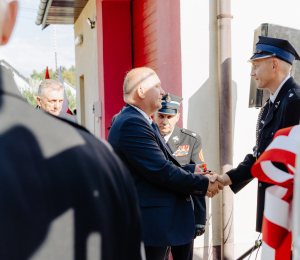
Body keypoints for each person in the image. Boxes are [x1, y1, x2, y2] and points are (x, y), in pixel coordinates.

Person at [0, 2, 143, 259]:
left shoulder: (88, 148)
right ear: (10, 17)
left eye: (60, 101)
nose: (57, 106)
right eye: (52, 102)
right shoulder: (98, 158)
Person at [107, 67, 223, 260]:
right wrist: (203, 184)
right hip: (148, 228)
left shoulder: (140, 120)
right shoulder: (131, 123)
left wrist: (192, 171)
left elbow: (159, 165)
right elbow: (160, 170)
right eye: (158, 86)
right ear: (141, 91)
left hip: (155, 226)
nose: (162, 91)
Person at [218, 36, 300, 232]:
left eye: (256, 65)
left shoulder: (295, 102)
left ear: (274, 65)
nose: (251, 73)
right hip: (277, 211)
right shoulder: (272, 104)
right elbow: (261, 155)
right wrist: (226, 178)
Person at [153, 93, 206, 260]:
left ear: (178, 117)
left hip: (182, 215)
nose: (164, 121)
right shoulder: (148, 139)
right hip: (156, 214)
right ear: (155, 115)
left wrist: (199, 218)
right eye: (161, 116)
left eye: (169, 116)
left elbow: (200, 177)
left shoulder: (191, 140)